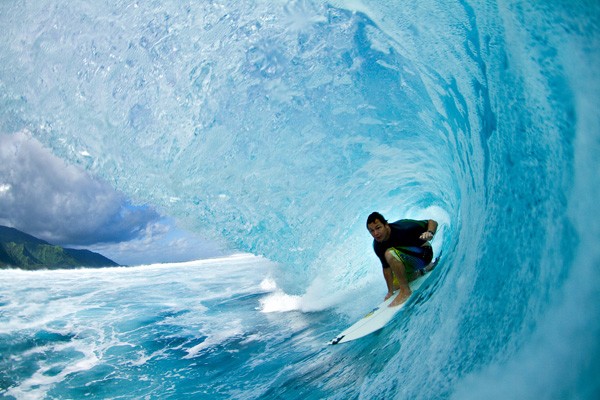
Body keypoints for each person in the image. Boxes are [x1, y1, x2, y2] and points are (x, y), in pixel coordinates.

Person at [366, 212, 438, 307]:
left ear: (386, 225)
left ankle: (406, 291)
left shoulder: (404, 227)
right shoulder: (377, 244)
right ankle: (422, 271)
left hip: (424, 254)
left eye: (378, 228)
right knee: (395, 285)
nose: (376, 233)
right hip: (408, 259)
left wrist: (429, 232)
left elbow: (432, 222)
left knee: (389, 254)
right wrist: (390, 292)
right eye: (371, 231)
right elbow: (386, 267)